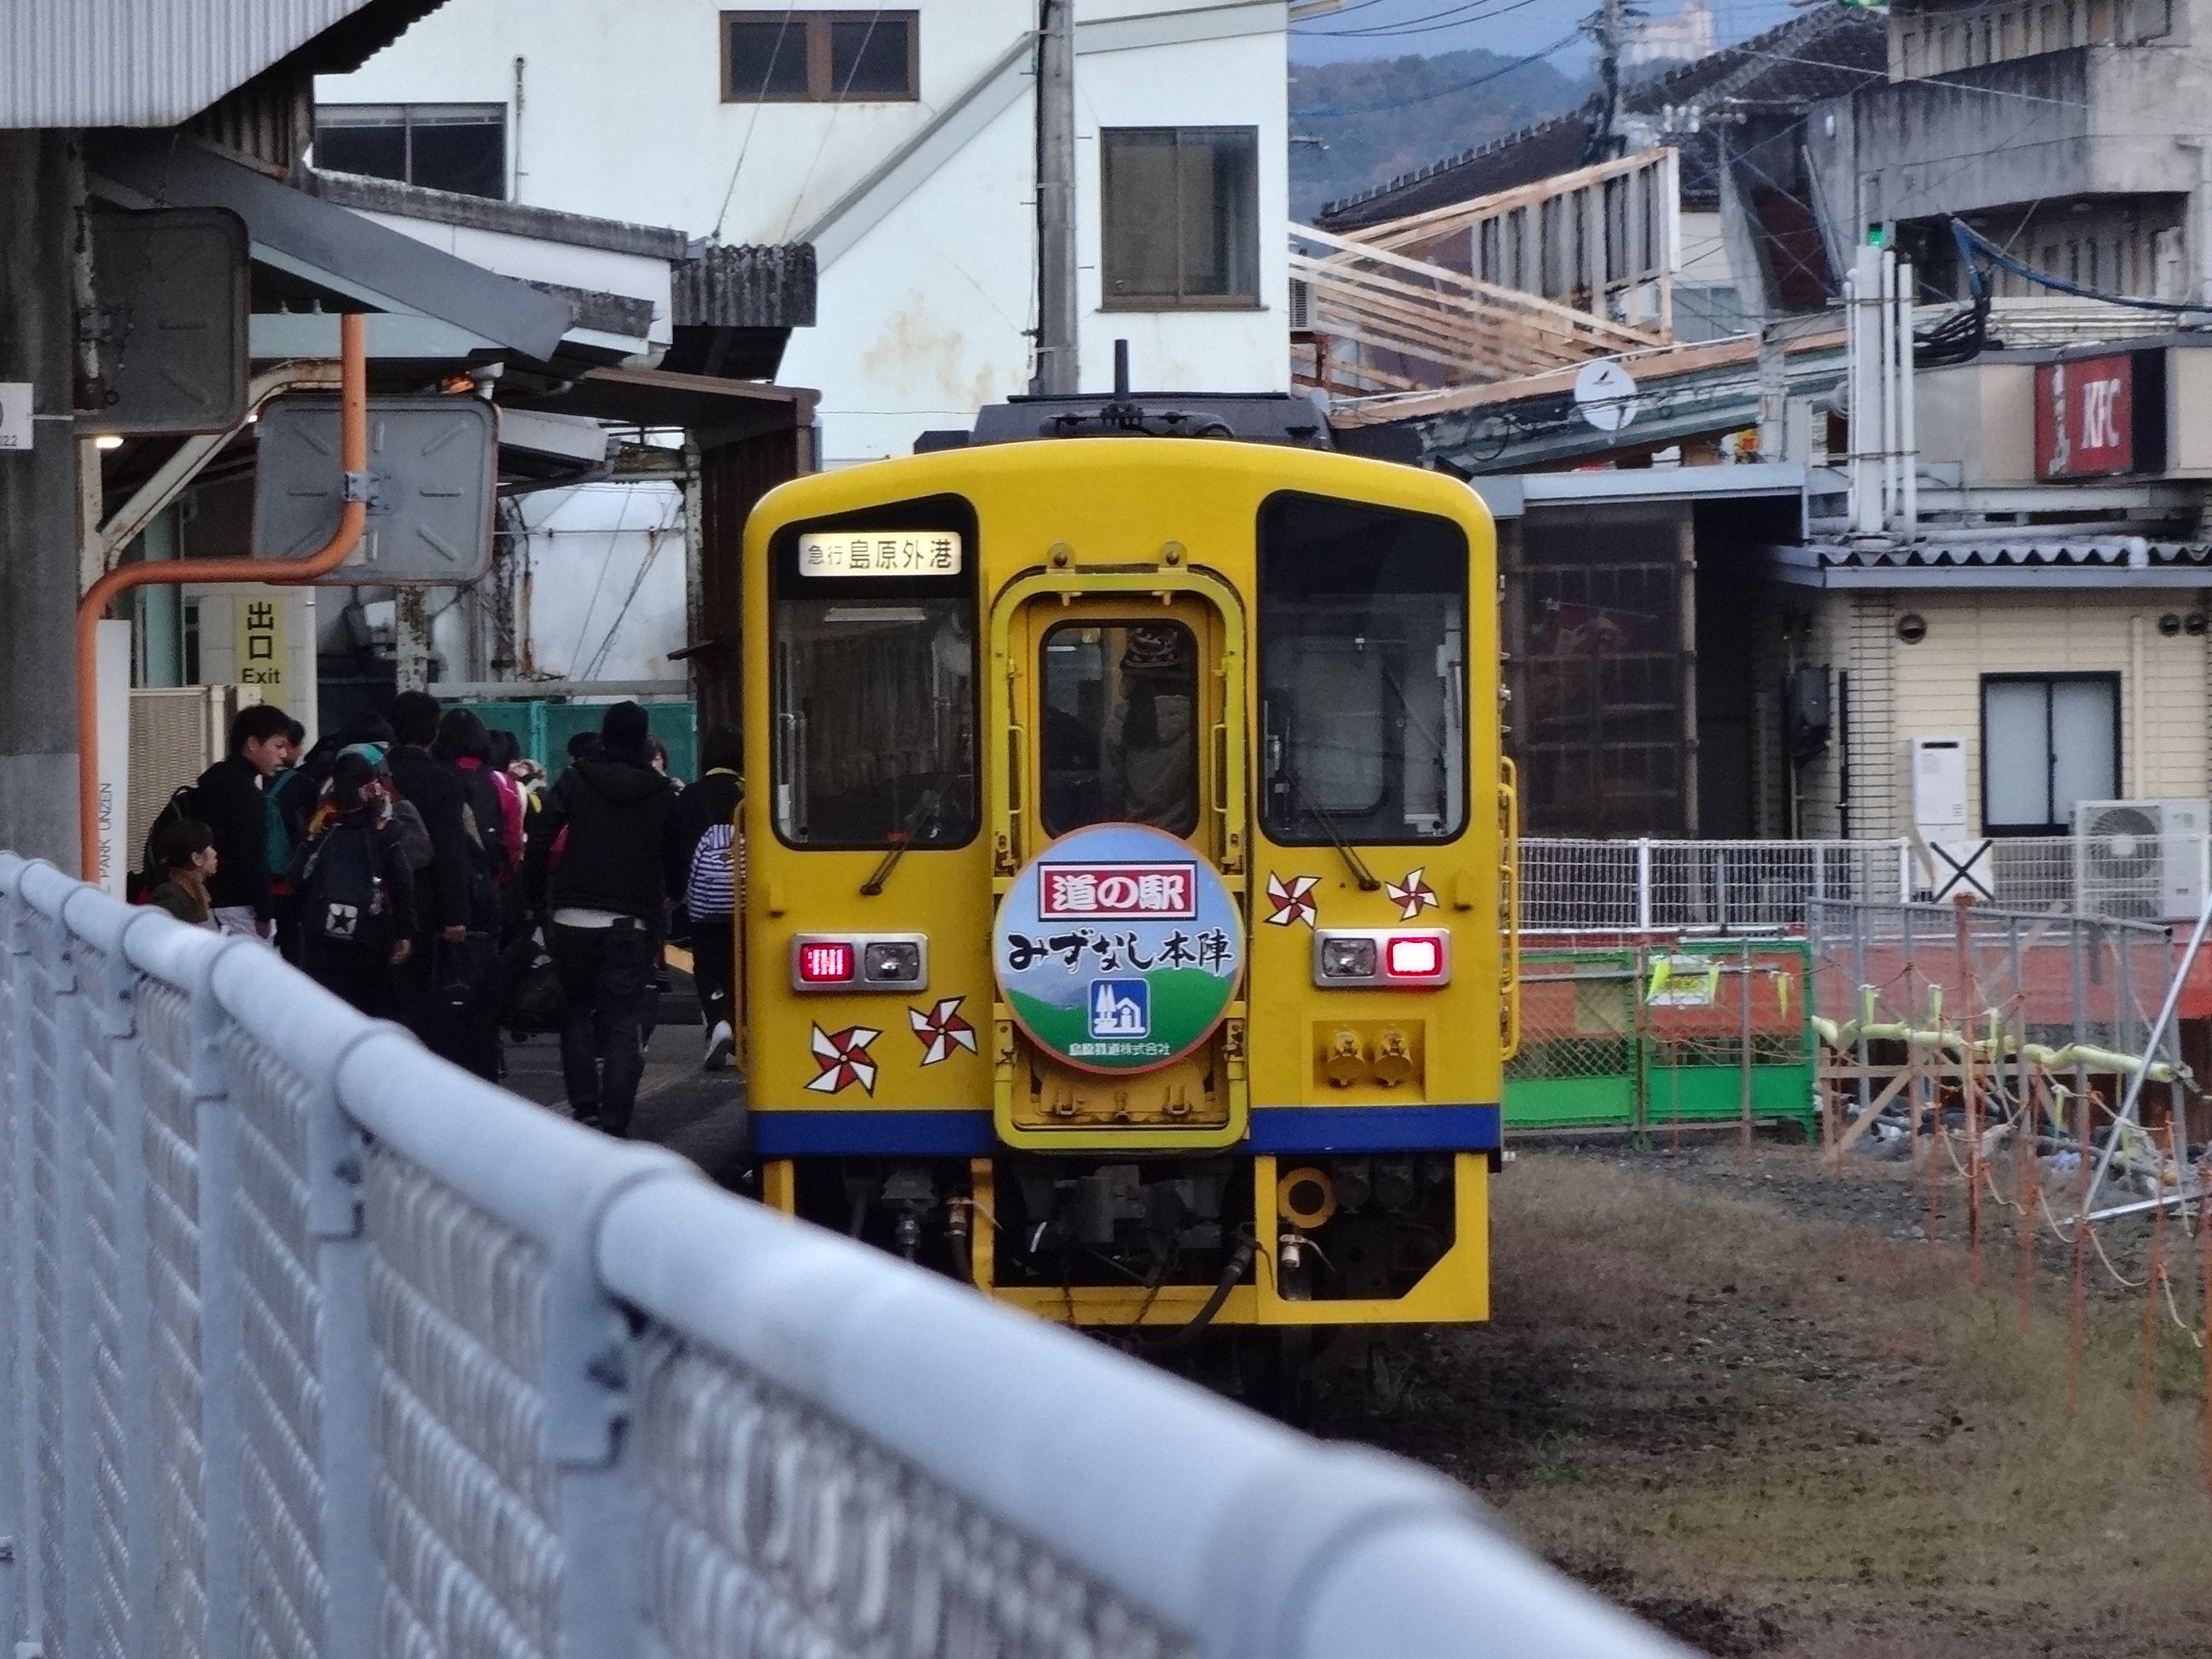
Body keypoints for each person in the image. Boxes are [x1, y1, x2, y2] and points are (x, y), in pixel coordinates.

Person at [523, 701, 688, 1137]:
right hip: (630, 921)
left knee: (576, 1012)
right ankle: (615, 1120)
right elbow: (675, 853)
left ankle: (586, 1107)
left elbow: (541, 837)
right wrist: (672, 895)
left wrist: (532, 897)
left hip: (572, 914)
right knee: (621, 1018)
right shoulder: (659, 792)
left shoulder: (577, 779)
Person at [290, 751, 417, 1016]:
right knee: (369, 1010)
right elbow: (401, 882)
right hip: (370, 935)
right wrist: (404, 932)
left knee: (327, 1011)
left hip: (322, 937)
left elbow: (298, 878)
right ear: (369, 787)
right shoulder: (383, 830)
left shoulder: (320, 826)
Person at [385, 690, 473, 1036]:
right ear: (434, 732)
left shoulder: (376, 772)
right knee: (419, 987)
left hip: (375, 897)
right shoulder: (442, 780)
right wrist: (456, 914)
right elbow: (451, 850)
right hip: (425, 898)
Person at [192, 703, 296, 940]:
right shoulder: (244, 794)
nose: (284, 754)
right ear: (252, 744)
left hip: (206, 904)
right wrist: (264, 912)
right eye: (278, 745)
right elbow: (252, 856)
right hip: (235, 910)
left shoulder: (214, 781)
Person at [678, 725, 742, 1070]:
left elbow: (678, 850)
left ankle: (717, 1019)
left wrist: (676, 894)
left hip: (703, 899)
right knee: (743, 963)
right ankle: (740, 1025)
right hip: (746, 898)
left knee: (707, 962)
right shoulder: (751, 792)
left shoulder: (690, 795)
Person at [144, 818, 218, 928]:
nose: (215, 853)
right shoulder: (172, 896)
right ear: (196, 858)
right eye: (210, 847)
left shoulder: (189, 890)